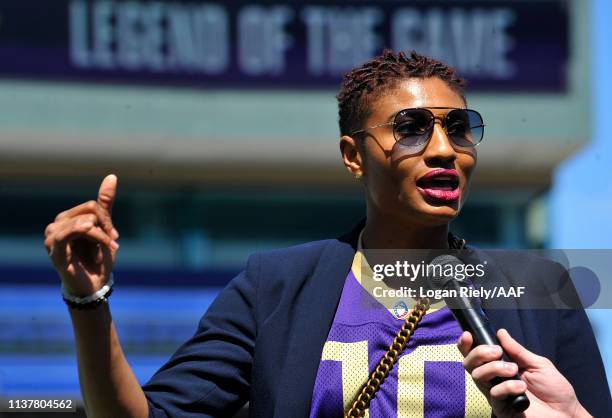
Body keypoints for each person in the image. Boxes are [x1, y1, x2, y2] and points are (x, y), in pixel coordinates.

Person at [43, 50, 611, 418]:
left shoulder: (542, 288)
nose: (443, 150)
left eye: (458, 129)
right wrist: (88, 301)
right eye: (410, 130)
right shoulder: (277, 286)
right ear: (353, 156)